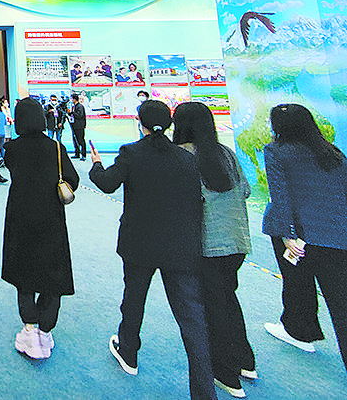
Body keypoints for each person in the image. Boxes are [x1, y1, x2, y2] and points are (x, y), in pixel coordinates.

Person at [89, 99, 215, 400]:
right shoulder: (187, 159)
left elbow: (106, 183)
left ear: (139, 122)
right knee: (192, 318)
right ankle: (204, 391)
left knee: (133, 299)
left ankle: (128, 352)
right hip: (179, 246)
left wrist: (96, 165)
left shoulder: (131, 153)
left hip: (139, 243)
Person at [173, 101, 256, 395]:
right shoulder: (226, 153)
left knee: (212, 306)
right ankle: (245, 361)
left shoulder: (183, 155)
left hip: (207, 245)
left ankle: (225, 372)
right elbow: (245, 191)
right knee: (227, 298)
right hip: (236, 242)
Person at [261, 103, 347, 371]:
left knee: (297, 284)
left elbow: (281, 196)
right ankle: (298, 331)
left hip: (297, 237)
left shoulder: (276, 151)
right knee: (340, 301)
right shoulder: (333, 153)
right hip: (336, 237)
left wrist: (288, 234)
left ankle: (299, 332)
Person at [3, 98, 78, 360]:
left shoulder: (12, 149)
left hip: (21, 216)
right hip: (51, 218)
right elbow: (72, 179)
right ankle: (45, 332)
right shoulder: (56, 147)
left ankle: (29, 328)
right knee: (52, 272)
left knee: (23, 271)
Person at [69, 93, 87, 160]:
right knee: (75, 140)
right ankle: (77, 153)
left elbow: (79, 115)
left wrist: (72, 112)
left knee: (81, 140)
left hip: (79, 126)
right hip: (75, 126)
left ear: (74, 99)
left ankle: (83, 154)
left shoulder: (80, 106)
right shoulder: (74, 106)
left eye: (72, 99)